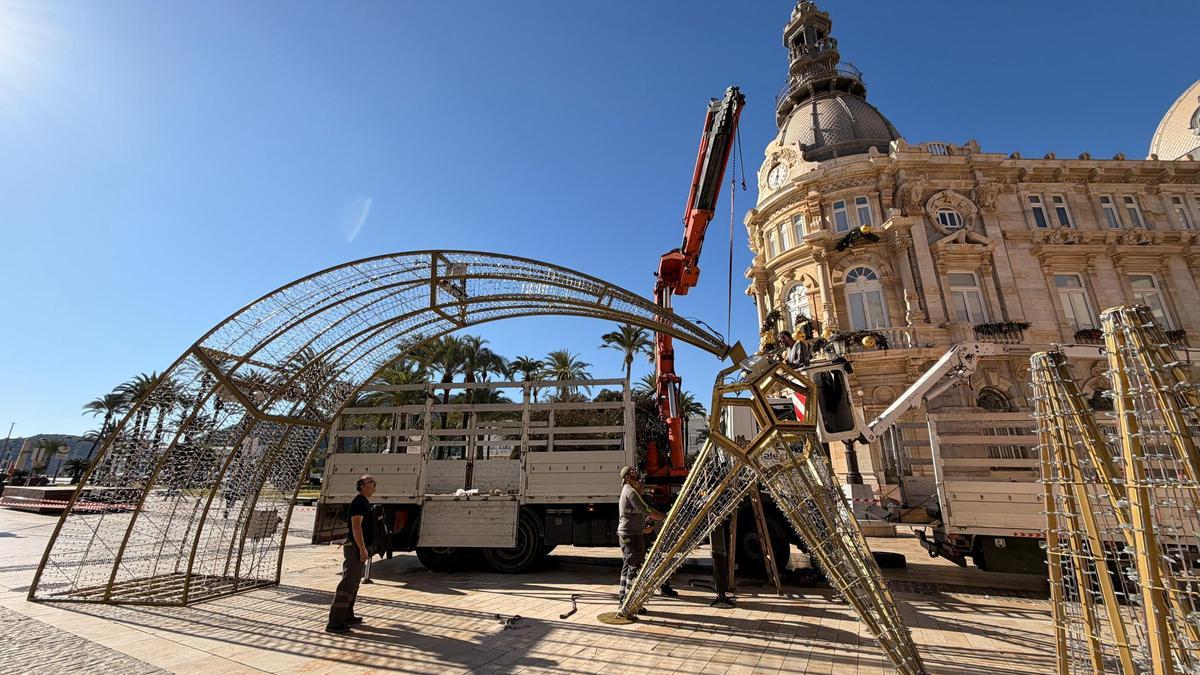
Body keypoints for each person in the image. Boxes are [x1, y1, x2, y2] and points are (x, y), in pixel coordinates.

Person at [327, 474, 376, 633]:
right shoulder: (359, 503)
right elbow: (356, 527)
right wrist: (362, 548)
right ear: (362, 485)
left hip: (358, 547)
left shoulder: (364, 502)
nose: (374, 484)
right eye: (371, 482)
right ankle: (335, 622)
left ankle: (347, 615)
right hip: (355, 548)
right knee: (348, 583)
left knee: (353, 583)